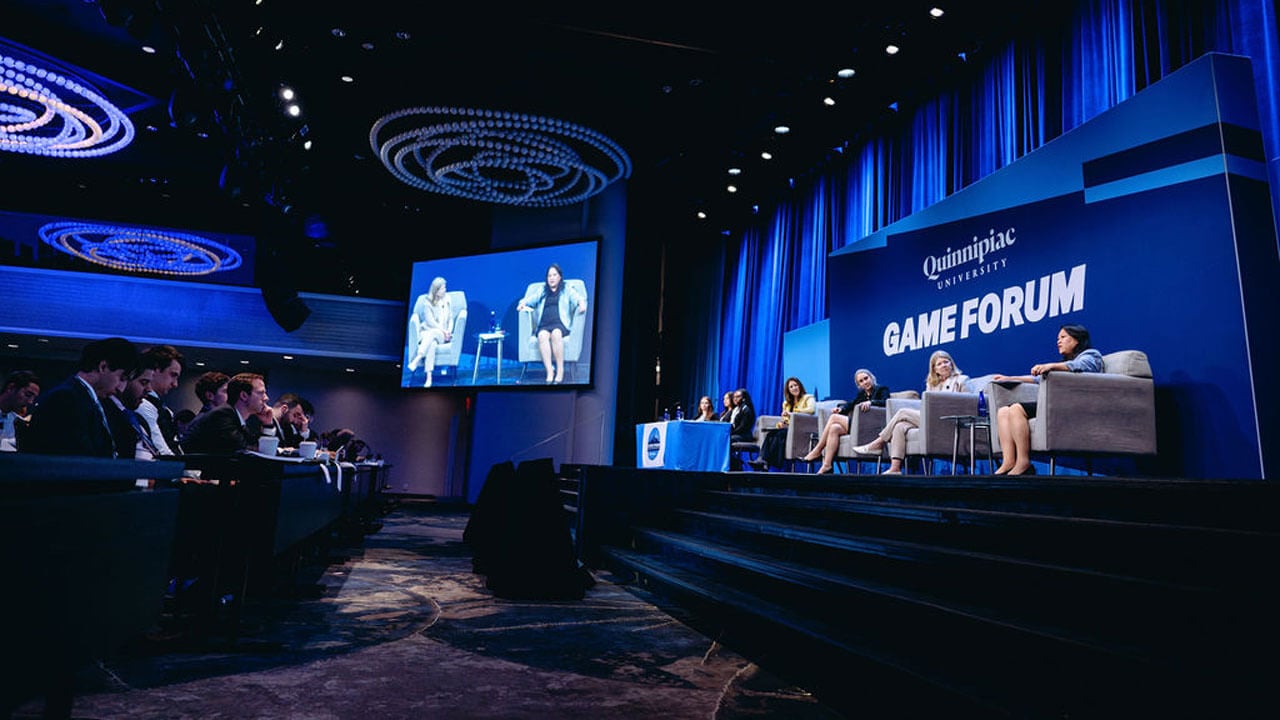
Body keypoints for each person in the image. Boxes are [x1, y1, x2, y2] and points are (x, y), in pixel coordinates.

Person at [991, 324, 1104, 476]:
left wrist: (1052, 366)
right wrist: (1010, 378)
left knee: (1017, 409)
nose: (1059, 341)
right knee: (1004, 411)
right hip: (1057, 403)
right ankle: (1009, 461)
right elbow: (1036, 379)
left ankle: (1023, 462)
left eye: (1063, 337)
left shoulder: (1091, 355)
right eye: (1058, 338)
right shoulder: (1061, 367)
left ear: (1077, 340)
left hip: (1076, 406)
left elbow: (1080, 366)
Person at [852, 350, 969, 475]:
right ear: (934, 369)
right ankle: (895, 468)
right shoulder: (932, 385)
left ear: (952, 364)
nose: (944, 365)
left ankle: (879, 442)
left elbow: (968, 403)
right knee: (899, 426)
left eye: (946, 362)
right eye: (939, 364)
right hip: (932, 418)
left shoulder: (962, 380)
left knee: (902, 412)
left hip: (949, 420)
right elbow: (927, 406)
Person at [22, 336, 138, 458]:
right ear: (103, 367)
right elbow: (74, 457)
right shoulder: (64, 399)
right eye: (121, 378)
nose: (121, 388)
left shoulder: (93, 400)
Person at [801, 368, 890, 474]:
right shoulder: (861, 394)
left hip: (871, 426)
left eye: (866, 378)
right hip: (858, 426)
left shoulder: (882, 389)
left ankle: (818, 449)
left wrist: (871, 403)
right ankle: (827, 465)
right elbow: (850, 404)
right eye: (861, 381)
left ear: (871, 377)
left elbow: (886, 402)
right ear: (859, 385)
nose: (865, 382)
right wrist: (840, 410)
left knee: (834, 418)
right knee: (834, 428)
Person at [517, 263, 587, 384]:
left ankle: (560, 370)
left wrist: (581, 303)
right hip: (544, 324)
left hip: (560, 324)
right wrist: (522, 303)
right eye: (549, 275)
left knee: (556, 334)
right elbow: (530, 299)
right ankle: (550, 371)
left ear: (560, 277)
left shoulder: (566, 288)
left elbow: (578, 298)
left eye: (554, 275)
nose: (552, 278)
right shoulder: (542, 290)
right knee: (542, 336)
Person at [180, 372, 271, 454]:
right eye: (261, 393)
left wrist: (267, 424)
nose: (266, 398)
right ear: (244, 395)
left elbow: (259, 449)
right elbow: (244, 450)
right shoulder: (223, 414)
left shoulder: (234, 416)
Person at [102, 363, 161, 460]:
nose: (149, 390)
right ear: (124, 381)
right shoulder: (105, 414)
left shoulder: (139, 420)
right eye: (144, 382)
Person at [755, 377, 816, 470]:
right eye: (791, 387)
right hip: (788, 428)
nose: (794, 388)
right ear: (788, 390)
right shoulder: (786, 404)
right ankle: (762, 460)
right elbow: (785, 419)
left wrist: (793, 413)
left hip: (801, 430)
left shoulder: (808, 398)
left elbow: (811, 410)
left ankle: (766, 462)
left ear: (800, 386)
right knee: (771, 434)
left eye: (795, 385)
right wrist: (781, 424)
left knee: (779, 435)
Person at [136, 345, 185, 456]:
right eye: (173, 375)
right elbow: (162, 451)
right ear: (155, 370)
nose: (175, 384)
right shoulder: (144, 405)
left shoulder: (164, 409)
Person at [407, 276, 453, 388]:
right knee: (431, 344)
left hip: (442, 335)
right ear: (436, 291)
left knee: (433, 335)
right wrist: (443, 330)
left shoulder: (448, 299)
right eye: (443, 288)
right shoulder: (427, 302)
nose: (445, 290)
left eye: (445, 287)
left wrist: (448, 331)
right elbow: (430, 322)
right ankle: (429, 378)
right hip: (427, 332)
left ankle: (417, 359)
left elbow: (451, 318)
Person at [0, 370, 40, 452]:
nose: (30, 402)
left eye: (34, 398)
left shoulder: (19, 424)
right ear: (10, 388)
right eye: (28, 395)